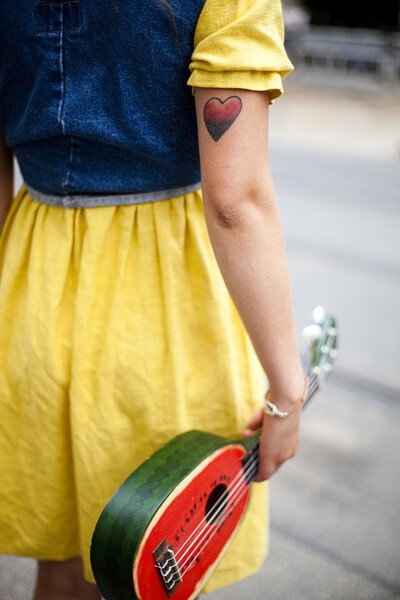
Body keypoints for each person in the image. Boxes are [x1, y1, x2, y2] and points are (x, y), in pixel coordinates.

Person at [0, 1, 306, 598]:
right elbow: (234, 201)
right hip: (162, 304)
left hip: (31, 286)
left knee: (61, 570)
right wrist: (287, 389)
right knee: (141, 565)